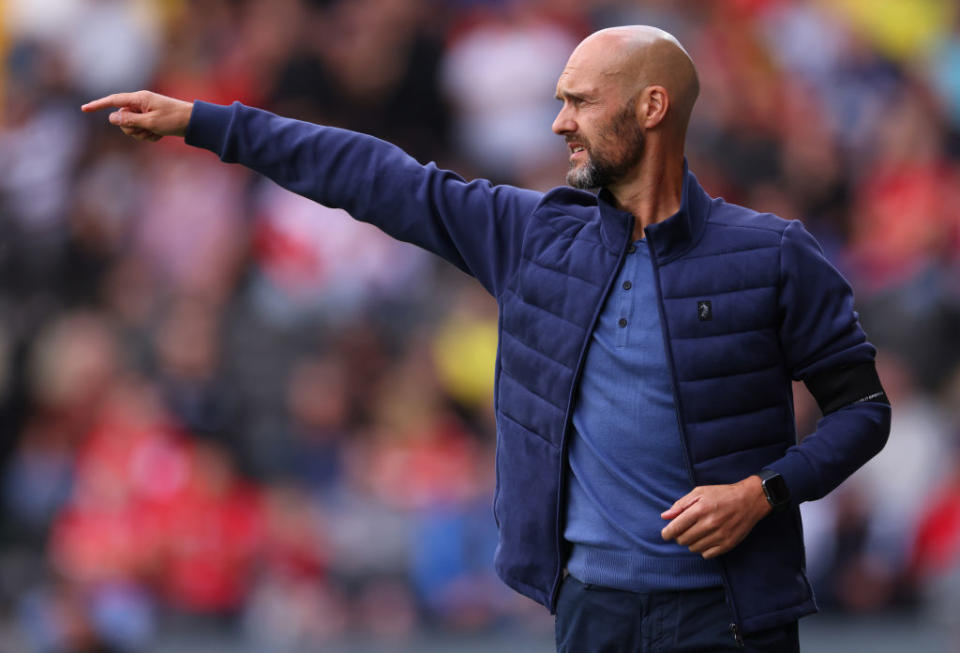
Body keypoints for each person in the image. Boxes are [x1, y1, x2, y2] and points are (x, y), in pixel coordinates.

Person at [83, 25, 891, 653]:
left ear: (650, 108)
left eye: (578, 101)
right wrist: (206, 123)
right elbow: (374, 176)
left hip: (732, 618)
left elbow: (864, 410)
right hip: (592, 614)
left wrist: (763, 492)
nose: (557, 122)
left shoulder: (772, 253)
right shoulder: (533, 236)